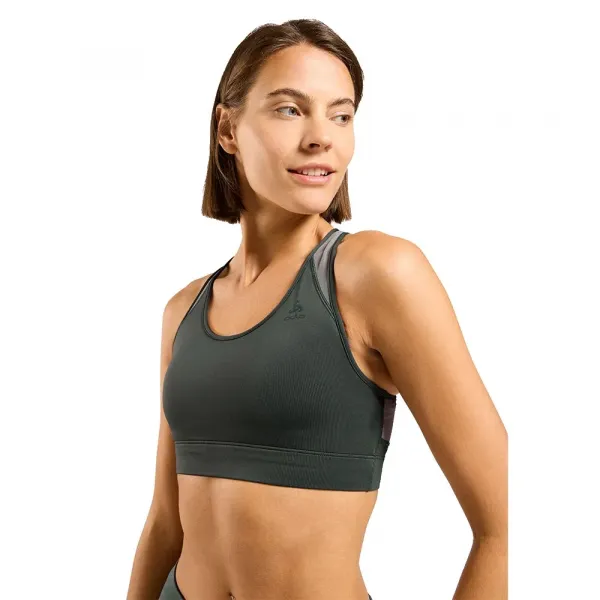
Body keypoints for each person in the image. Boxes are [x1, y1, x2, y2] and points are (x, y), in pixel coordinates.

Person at [126, 18, 508, 600]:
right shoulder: (183, 311)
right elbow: (164, 522)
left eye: (341, 115)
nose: (321, 137)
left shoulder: (378, 273)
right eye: (289, 109)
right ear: (227, 128)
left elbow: (503, 521)